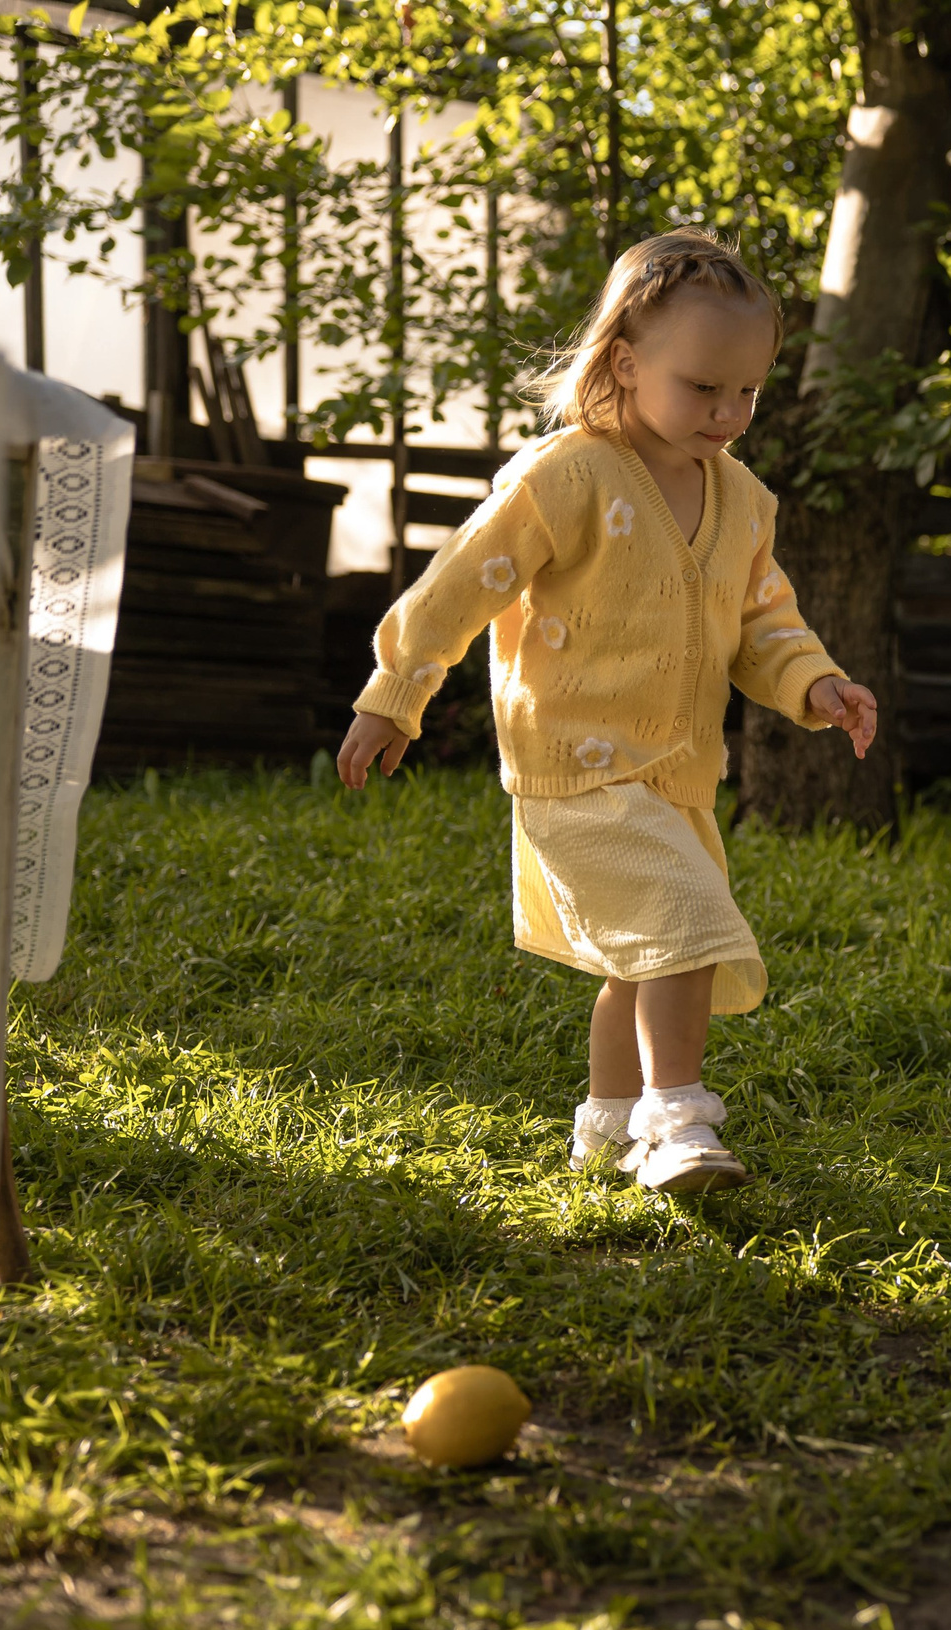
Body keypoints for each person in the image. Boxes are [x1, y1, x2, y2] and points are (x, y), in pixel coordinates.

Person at [336, 229, 878, 1194]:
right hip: (575, 766)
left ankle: (606, 1125)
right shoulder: (567, 476)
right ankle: (680, 1121)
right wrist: (397, 691)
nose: (727, 411)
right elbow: (460, 586)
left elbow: (764, 624)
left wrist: (815, 684)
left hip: (675, 773)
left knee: (639, 960)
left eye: (747, 392)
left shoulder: (744, 502)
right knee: (685, 923)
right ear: (626, 364)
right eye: (703, 387)